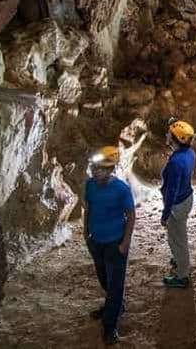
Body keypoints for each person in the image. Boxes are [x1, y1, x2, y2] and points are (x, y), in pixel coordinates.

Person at [84, 145, 136, 346]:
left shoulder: (121, 189)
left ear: (112, 169)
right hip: (96, 241)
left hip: (115, 242)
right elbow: (88, 209)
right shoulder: (90, 185)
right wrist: (85, 233)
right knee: (104, 279)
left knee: (115, 285)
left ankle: (110, 326)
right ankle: (115, 306)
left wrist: (124, 243)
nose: (96, 172)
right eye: (94, 168)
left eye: (102, 169)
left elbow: (131, 216)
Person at [161, 119, 196, 289]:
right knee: (177, 236)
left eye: (170, 134)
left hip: (177, 204)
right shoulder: (190, 154)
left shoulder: (176, 163)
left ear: (176, 139)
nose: (167, 135)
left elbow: (171, 191)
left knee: (178, 239)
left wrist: (165, 213)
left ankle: (182, 275)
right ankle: (179, 260)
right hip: (187, 197)